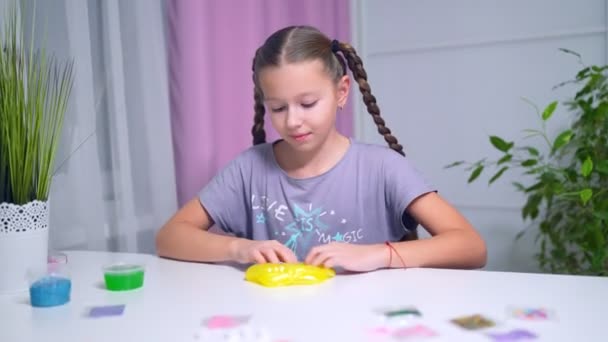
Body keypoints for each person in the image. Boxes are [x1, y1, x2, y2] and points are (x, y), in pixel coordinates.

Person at [156, 25, 487, 272]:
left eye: (308, 103)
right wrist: (240, 249)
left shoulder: (383, 168)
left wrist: (377, 254)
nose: (294, 121)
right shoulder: (248, 169)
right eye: (279, 108)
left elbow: (471, 246)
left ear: (342, 91)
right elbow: (170, 237)